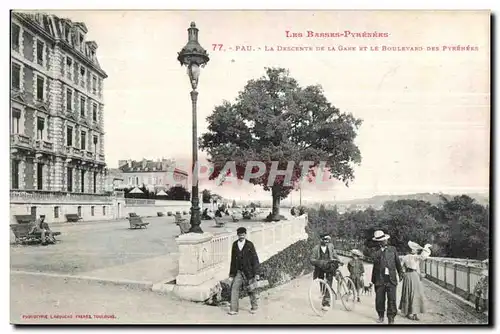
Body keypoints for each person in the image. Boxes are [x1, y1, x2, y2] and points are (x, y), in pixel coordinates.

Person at [371, 230, 404, 324]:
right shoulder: (376, 252)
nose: (384, 242)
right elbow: (375, 267)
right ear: (378, 242)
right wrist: (373, 280)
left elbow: (398, 263)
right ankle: (381, 316)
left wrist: (400, 273)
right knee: (379, 300)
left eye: (385, 240)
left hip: (391, 279)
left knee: (392, 299)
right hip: (379, 280)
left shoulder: (393, 249)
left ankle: (391, 318)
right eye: (382, 241)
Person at [228, 227, 260, 315]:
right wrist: (231, 274)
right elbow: (233, 260)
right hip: (238, 271)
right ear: (237, 235)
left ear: (245, 234)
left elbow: (255, 259)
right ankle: (234, 309)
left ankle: (254, 306)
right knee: (234, 288)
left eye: (243, 235)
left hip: (248, 271)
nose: (241, 236)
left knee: (251, 289)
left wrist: (256, 273)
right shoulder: (234, 245)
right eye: (240, 235)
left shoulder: (250, 244)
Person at [399, 241, 432, 320]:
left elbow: (425, 255)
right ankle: (408, 312)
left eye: (415, 249)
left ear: (416, 250)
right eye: (412, 249)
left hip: (412, 275)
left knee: (415, 294)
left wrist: (425, 247)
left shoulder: (415, 257)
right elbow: (401, 267)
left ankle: (414, 313)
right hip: (409, 275)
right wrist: (425, 247)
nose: (413, 250)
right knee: (409, 293)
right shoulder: (408, 257)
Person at [310, 234, 342, 310]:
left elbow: (334, 254)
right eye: (325, 240)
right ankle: (325, 296)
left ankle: (326, 302)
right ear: (321, 240)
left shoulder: (330, 246)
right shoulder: (316, 249)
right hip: (320, 268)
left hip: (329, 267)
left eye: (328, 240)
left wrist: (339, 260)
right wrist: (319, 262)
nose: (327, 241)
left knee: (329, 283)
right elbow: (312, 259)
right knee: (323, 285)